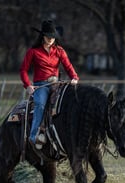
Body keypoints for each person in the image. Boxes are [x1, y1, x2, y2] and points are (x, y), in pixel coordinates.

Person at [20, 20, 79, 148]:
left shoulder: (59, 50)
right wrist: (28, 85)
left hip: (57, 83)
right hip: (41, 85)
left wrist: (74, 77)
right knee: (40, 104)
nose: (51, 39)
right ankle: (33, 135)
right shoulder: (33, 52)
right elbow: (23, 70)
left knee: (70, 102)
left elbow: (68, 66)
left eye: (53, 37)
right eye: (48, 36)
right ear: (42, 36)